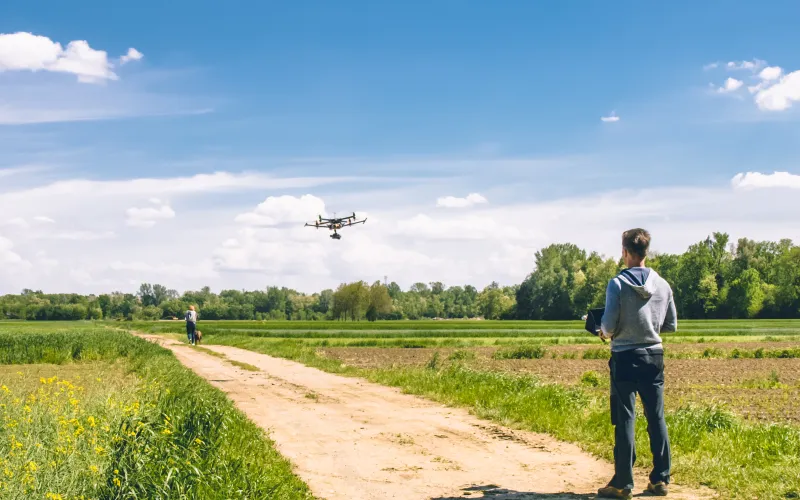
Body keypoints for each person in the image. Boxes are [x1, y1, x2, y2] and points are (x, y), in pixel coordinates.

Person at [597, 228, 677, 499]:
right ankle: (660, 479)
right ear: (646, 251)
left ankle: (623, 483)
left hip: (625, 356)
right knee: (656, 417)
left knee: (625, 418)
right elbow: (671, 325)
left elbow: (607, 326)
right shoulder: (663, 284)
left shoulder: (617, 284)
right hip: (654, 356)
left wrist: (603, 332)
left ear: (625, 251)